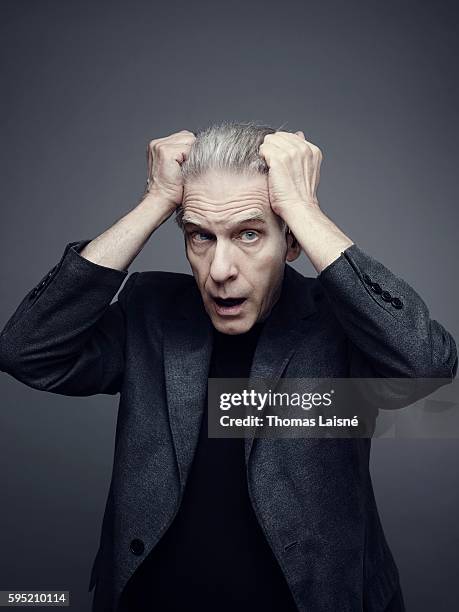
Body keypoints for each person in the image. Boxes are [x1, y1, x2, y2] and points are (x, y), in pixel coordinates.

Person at [0, 120, 456, 612]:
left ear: (293, 242)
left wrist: (303, 209)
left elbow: (425, 366)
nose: (219, 270)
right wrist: (155, 201)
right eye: (200, 237)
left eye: (250, 234)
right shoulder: (150, 312)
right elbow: (27, 351)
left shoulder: (340, 322)